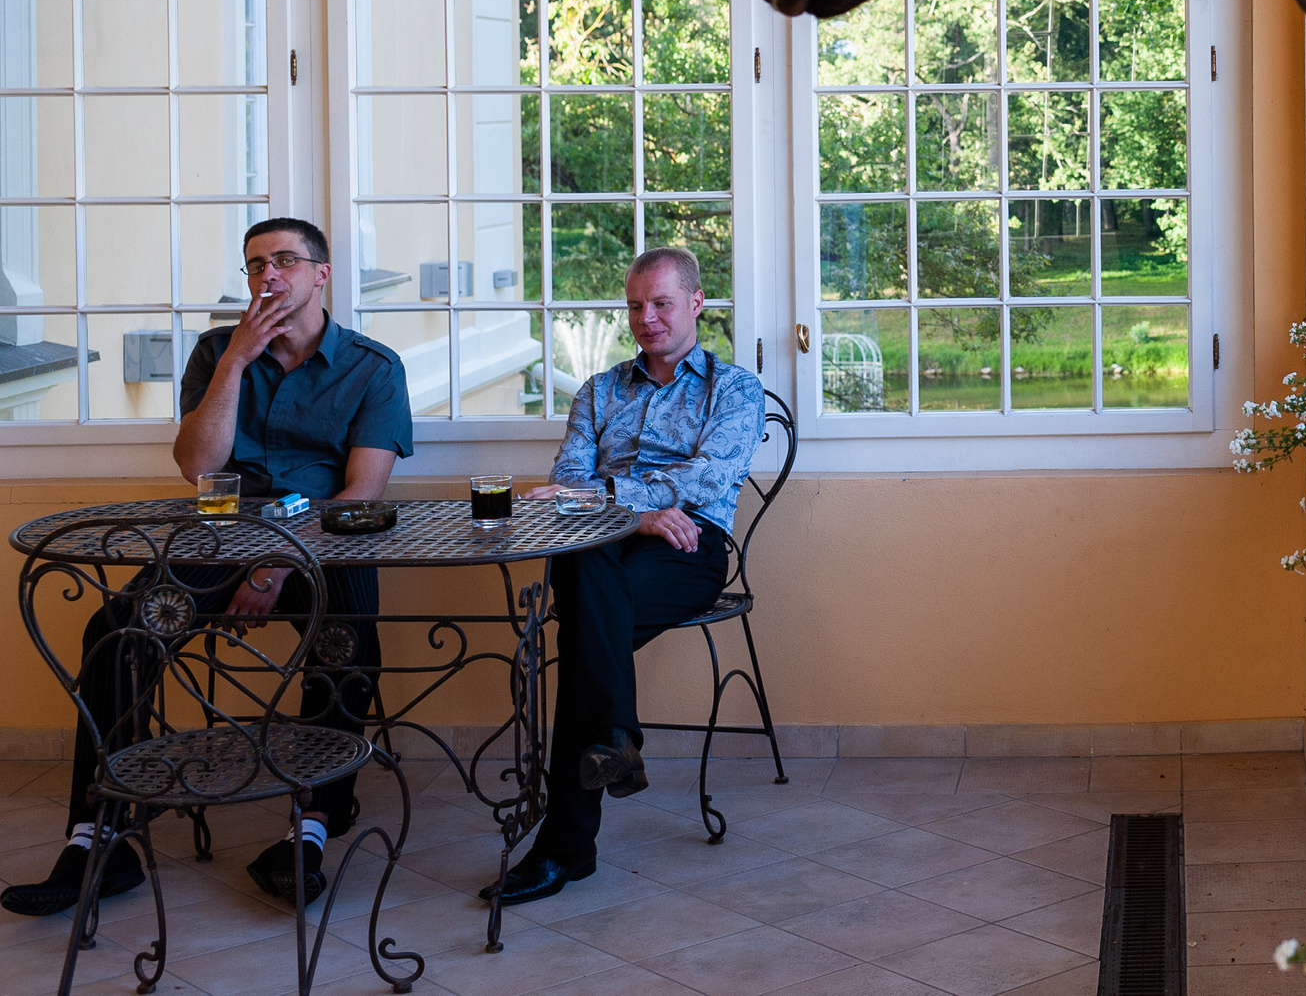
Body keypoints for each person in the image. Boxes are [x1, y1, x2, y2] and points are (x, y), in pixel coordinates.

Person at [1, 218, 412, 918]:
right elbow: (198, 466)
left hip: (321, 540)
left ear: (322, 273)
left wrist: (273, 567)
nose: (268, 275)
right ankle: (101, 836)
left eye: (285, 260)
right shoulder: (217, 352)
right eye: (256, 264)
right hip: (218, 537)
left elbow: (361, 496)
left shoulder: (374, 367)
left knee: (348, 642)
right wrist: (236, 362)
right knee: (117, 631)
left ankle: (311, 828)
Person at [481, 246, 763, 906]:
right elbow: (567, 482)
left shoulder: (734, 388)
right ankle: (612, 743)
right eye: (636, 306)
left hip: (689, 546)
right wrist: (637, 515)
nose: (646, 318)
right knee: (585, 564)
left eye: (661, 303)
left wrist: (615, 500)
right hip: (602, 543)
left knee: (586, 632)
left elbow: (707, 478)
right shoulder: (600, 389)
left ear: (696, 302)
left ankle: (566, 845)